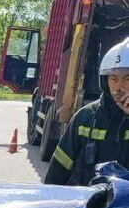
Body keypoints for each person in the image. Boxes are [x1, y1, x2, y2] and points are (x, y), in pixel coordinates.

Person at [44, 35, 129, 186]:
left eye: (127, 79)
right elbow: (59, 167)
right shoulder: (86, 116)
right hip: (86, 204)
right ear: (105, 81)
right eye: (113, 78)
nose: (118, 87)